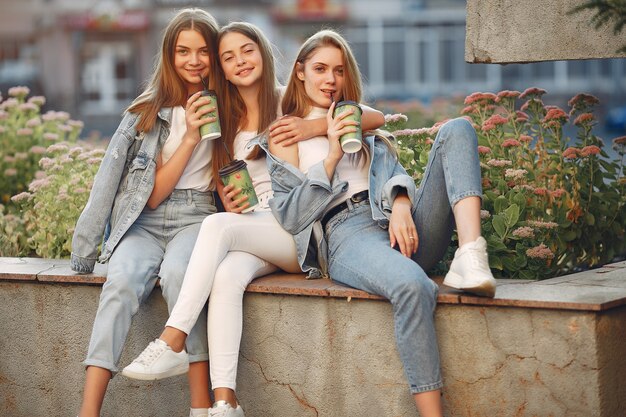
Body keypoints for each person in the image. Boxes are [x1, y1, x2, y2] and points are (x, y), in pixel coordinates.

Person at [119, 22, 385, 417]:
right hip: (256, 230)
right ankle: (225, 403)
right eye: (228, 57)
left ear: (262, 52)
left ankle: (173, 338)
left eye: (247, 50)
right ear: (220, 71)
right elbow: (226, 191)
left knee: (216, 227)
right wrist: (227, 198)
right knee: (227, 274)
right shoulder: (222, 120)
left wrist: (311, 125)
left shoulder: (287, 100)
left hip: (298, 228)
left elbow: (372, 116)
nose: (240, 61)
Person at [264, 29, 497, 417]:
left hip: (399, 223)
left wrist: (402, 201)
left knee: (458, 128)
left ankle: (470, 257)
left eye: (338, 71)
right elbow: (290, 215)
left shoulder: (356, 120)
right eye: (320, 69)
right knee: (413, 286)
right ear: (300, 72)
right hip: (347, 234)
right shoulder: (287, 133)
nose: (331, 80)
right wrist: (332, 156)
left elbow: (392, 170)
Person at [70, 9, 220, 417]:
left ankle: (200, 407)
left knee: (180, 277)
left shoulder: (228, 106)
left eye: (203, 51)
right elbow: (131, 192)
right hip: (144, 223)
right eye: (183, 51)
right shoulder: (145, 114)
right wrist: (85, 248)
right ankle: (88, 411)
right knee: (119, 284)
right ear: (168, 56)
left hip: (197, 217)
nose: (193, 61)